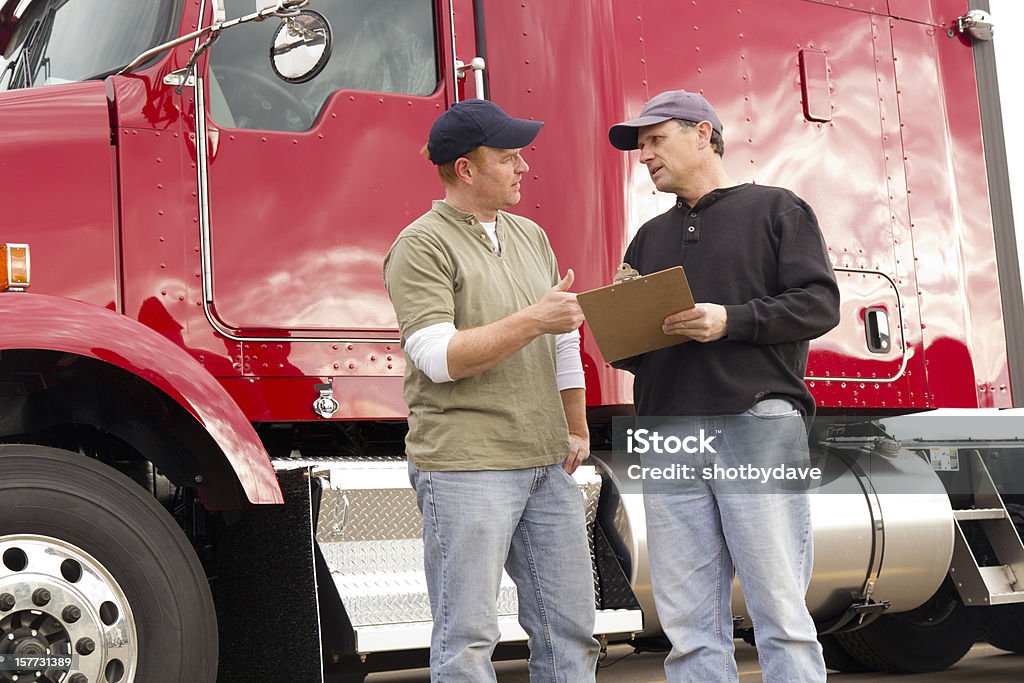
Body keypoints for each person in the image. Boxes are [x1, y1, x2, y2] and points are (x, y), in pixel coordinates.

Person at [607, 89, 840, 682]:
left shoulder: (778, 209)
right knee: (687, 628)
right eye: (640, 147)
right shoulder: (647, 239)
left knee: (780, 612)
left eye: (655, 141)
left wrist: (728, 320)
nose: (643, 157)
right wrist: (623, 329)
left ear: (703, 134)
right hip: (667, 433)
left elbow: (818, 305)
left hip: (755, 423)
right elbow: (635, 356)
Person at [383, 99, 600, 682]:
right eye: (508, 158)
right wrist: (535, 318)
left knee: (572, 629)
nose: (524, 168)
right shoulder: (421, 245)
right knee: (468, 638)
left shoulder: (531, 236)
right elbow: (436, 358)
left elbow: (562, 342)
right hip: (465, 466)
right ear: (466, 169)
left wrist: (574, 426)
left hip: (543, 461)